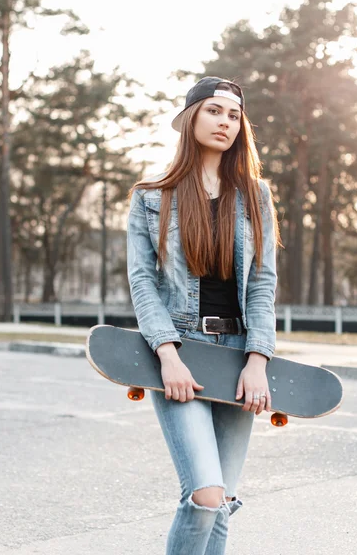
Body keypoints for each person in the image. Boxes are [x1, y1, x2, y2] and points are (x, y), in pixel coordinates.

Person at [126, 76, 280, 555]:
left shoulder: (256, 197)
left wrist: (259, 360)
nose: (225, 123)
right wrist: (166, 355)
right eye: (215, 111)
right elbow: (142, 282)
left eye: (234, 116)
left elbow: (262, 284)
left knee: (223, 501)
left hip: (238, 356)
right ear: (192, 118)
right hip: (181, 351)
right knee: (204, 494)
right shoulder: (152, 197)